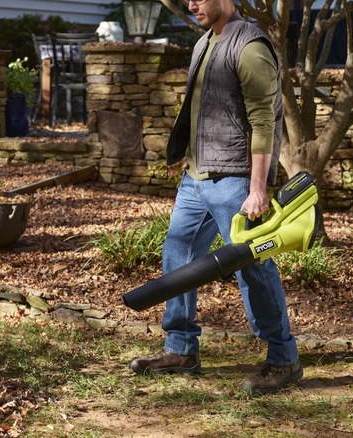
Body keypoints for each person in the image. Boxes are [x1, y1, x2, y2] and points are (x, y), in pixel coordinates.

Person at [128, 0, 302, 394]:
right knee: (178, 255)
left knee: (252, 267)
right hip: (196, 178)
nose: (192, 4)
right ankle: (181, 349)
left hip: (235, 182)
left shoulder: (250, 46)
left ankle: (283, 358)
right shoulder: (204, 42)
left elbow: (264, 121)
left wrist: (258, 188)